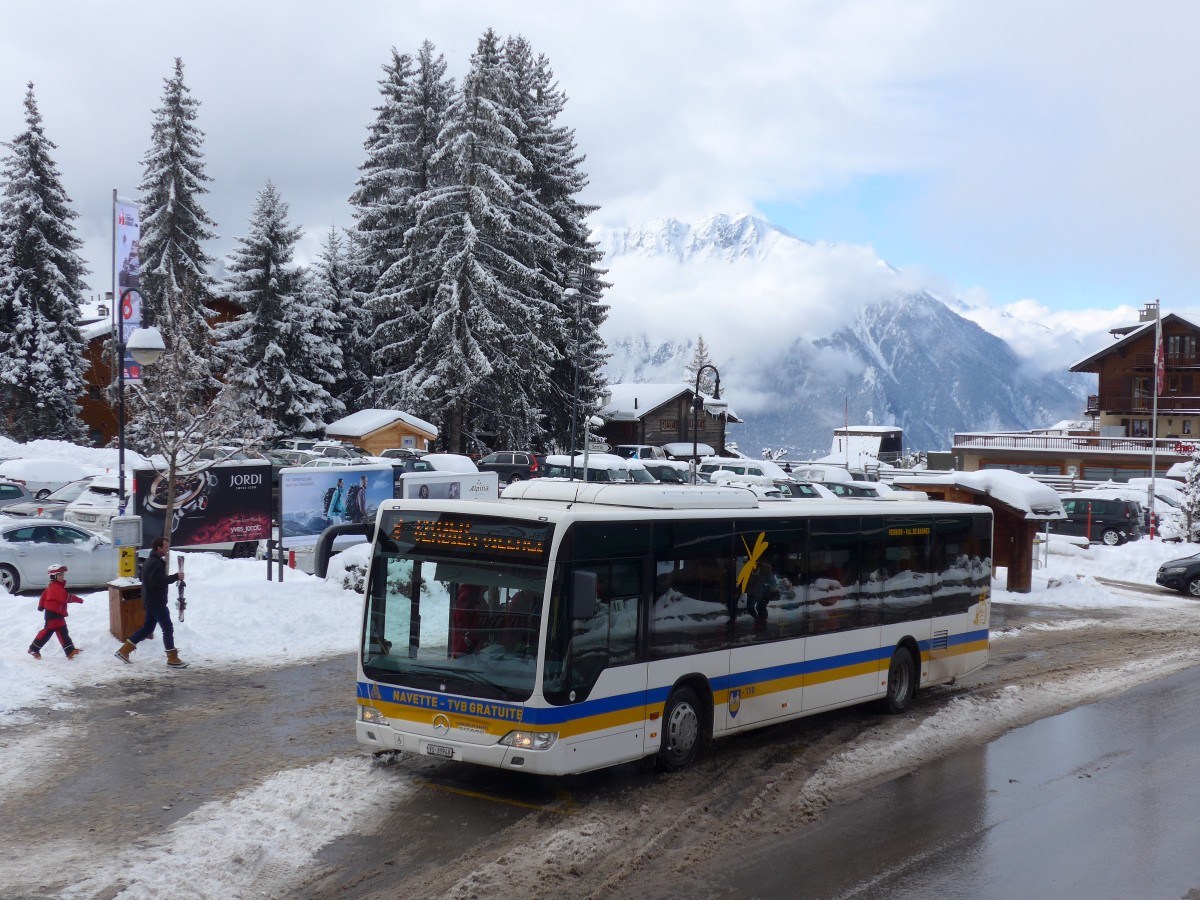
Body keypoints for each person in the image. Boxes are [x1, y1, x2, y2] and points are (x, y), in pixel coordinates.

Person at [115, 537, 188, 668]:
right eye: (165, 547)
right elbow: (158, 581)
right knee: (167, 628)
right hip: (156, 602)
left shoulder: (151, 561)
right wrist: (176, 577)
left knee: (147, 628)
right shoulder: (154, 563)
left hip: (150, 600)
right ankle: (172, 657)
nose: (167, 550)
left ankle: (124, 650)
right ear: (158, 548)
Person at [28, 564, 84, 660]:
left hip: (58, 613)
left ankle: (70, 651)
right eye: (60, 575)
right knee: (47, 632)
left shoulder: (54, 586)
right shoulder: (56, 587)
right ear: (54, 577)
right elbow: (64, 597)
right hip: (53, 614)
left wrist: (41, 606)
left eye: (63, 575)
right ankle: (33, 648)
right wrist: (78, 599)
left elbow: (44, 595)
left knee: (63, 631)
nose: (62, 577)